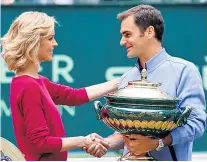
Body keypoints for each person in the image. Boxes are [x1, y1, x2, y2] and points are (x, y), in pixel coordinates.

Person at [85, 4, 207, 161]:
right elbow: (127, 133)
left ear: (149, 31)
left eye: (127, 34)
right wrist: (105, 143)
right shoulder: (126, 78)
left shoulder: (185, 70)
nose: (122, 41)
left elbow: (196, 124)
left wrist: (157, 143)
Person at [1, 11, 119, 161]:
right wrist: (83, 140)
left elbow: (75, 96)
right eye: (50, 38)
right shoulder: (28, 86)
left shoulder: (35, 82)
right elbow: (40, 143)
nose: (55, 43)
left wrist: (120, 82)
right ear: (33, 42)